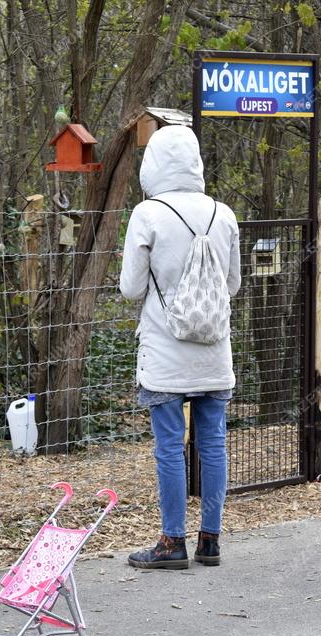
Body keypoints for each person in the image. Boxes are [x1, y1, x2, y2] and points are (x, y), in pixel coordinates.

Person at [119, 125, 241, 570]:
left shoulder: (147, 214)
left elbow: (131, 288)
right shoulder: (223, 214)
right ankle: (211, 539)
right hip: (214, 349)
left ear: (153, 164)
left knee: (170, 447)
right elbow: (232, 284)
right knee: (213, 444)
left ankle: (172, 542)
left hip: (165, 353)